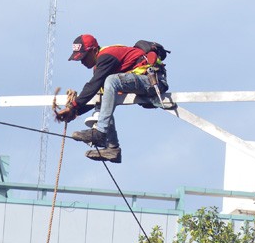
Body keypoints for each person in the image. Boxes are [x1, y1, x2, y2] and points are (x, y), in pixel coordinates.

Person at [54, 34, 169, 163]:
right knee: (105, 94)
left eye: (83, 57)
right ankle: (112, 148)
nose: (82, 62)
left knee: (111, 81)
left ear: (93, 50)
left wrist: (72, 106)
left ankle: (100, 133)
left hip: (153, 81)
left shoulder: (106, 56)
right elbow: (97, 92)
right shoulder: (101, 65)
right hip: (142, 81)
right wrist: (75, 112)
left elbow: (93, 85)